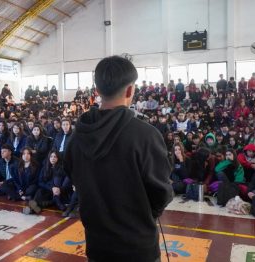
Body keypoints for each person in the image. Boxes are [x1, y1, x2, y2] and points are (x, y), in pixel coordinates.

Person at [64, 56, 173, 262]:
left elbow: (73, 176)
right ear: (130, 90)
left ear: (96, 90)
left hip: (97, 246)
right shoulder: (145, 135)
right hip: (138, 248)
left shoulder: (77, 137)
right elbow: (161, 192)